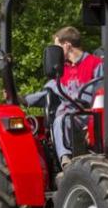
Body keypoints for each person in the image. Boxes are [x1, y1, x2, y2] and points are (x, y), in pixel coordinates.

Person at [24, 26, 103, 170]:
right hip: (68, 117)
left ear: (67, 45)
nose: (56, 53)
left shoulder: (95, 64)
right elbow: (47, 94)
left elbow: (102, 97)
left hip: (90, 116)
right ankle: (66, 162)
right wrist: (21, 99)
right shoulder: (61, 71)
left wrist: (92, 127)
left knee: (65, 118)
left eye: (57, 47)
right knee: (62, 119)